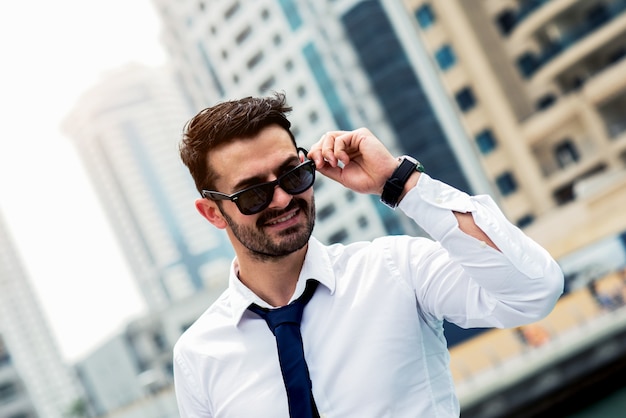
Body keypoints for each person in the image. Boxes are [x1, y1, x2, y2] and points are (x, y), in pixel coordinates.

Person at [173, 93, 563, 417]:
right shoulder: (199, 355)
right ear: (213, 213)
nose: (283, 198)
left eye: (293, 174)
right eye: (253, 192)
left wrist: (400, 181)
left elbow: (533, 292)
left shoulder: (397, 268)